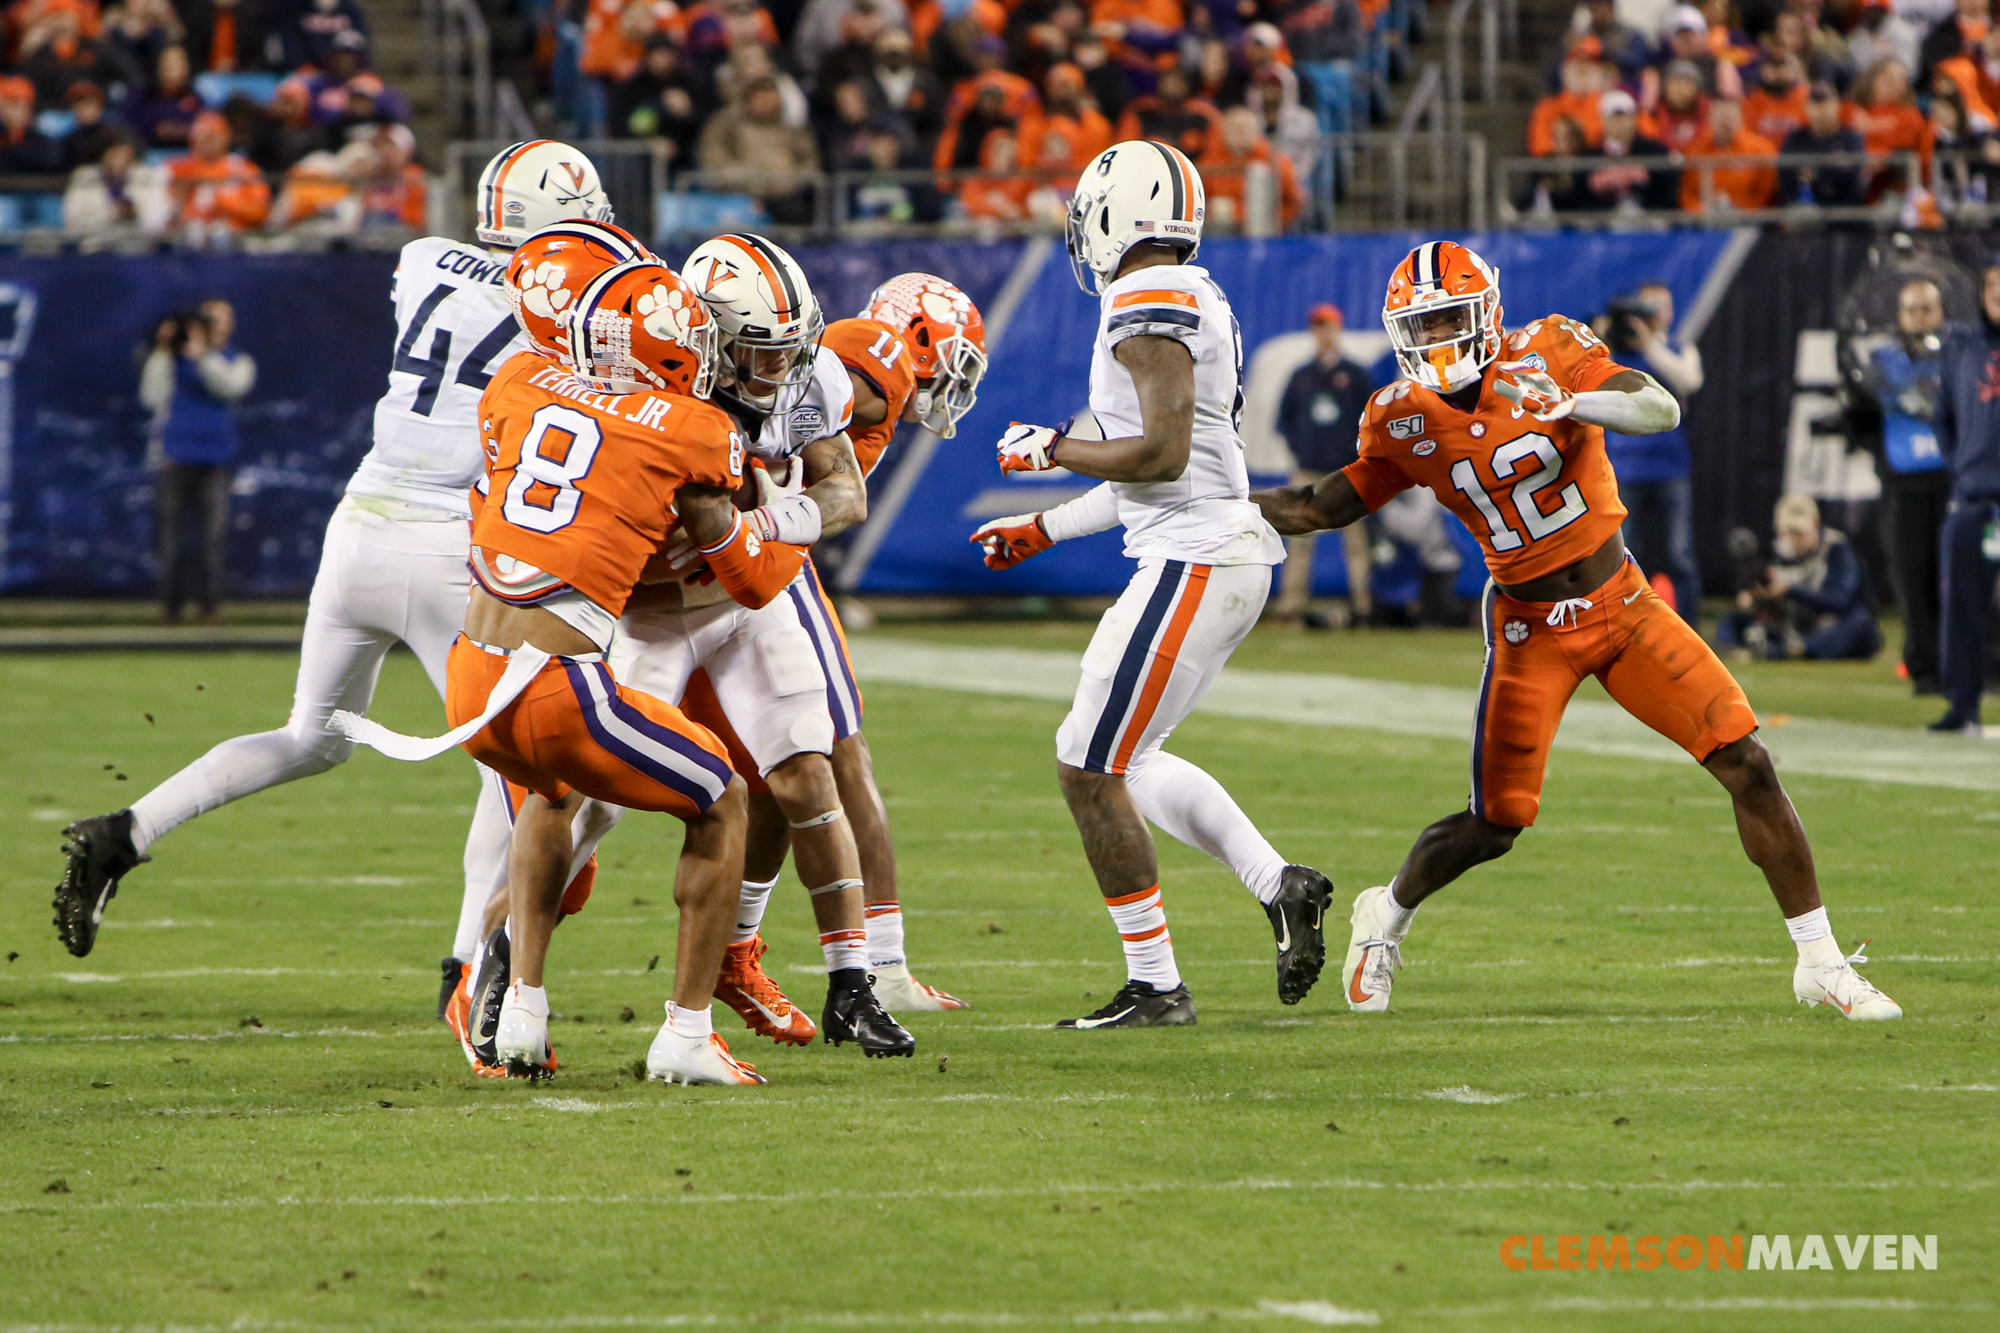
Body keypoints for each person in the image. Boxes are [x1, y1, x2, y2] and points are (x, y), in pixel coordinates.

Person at [52, 144, 618, 1059]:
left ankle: (126, 829)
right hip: (449, 543)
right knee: (515, 772)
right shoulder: (562, 309)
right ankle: (471, 975)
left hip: (360, 522)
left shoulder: (427, 258)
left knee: (310, 735)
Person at [1250, 239, 1902, 1023]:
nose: (1436, 344)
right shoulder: (1402, 416)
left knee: (1745, 757)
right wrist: (1224, 508)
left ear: (1487, 311)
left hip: (1622, 604)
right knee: (1495, 824)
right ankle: (1385, 912)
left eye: (1450, 321)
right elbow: (1325, 505)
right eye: (1419, 329)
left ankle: (1819, 961)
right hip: (1529, 628)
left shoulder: (1551, 349)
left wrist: (1573, 402)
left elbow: (1658, 407)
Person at [340, 256, 806, 1087]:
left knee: (550, 798)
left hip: (473, 677)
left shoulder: (519, 380)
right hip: (559, 685)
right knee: (724, 796)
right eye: (686, 339)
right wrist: (792, 514)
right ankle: (687, 1034)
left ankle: (521, 1008)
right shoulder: (688, 428)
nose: (698, 351)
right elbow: (754, 578)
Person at [969, 140, 1337, 1028]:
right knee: (1120, 760)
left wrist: (1050, 449)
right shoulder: (1188, 289)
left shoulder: (1146, 294)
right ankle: (1279, 885)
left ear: (1109, 215)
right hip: (1211, 549)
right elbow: (1156, 475)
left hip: (1198, 558)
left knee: (1088, 768)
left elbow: (1161, 455)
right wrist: (1044, 526)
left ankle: (1157, 984)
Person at [601, 234, 918, 1058]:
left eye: (788, 347)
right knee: (584, 798)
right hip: (654, 609)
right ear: (706, 334)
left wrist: (761, 525)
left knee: (807, 769)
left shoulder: (806, 373)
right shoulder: (656, 372)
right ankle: (503, 973)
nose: (778, 367)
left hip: (751, 590)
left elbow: (844, 492)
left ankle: (852, 982)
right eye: (757, 349)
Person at [139, 297, 254, 625]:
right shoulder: (172, 362)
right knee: (172, 541)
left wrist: (203, 356)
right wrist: (164, 349)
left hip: (216, 461)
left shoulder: (236, 359)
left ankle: (208, 608)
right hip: (176, 459)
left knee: (211, 541)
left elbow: (231, 387)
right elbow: (152, 396)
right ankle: (171, 609)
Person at [1603, 281, 1704, 623]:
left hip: (1669, 468)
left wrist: (1648, 345)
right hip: (1625, 468)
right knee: (1623, 553)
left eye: (1661, 306)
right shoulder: (1614, 352)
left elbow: (1688, 381)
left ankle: (1690, 626)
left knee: (1679, 554)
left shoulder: (1678, 349)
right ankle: (1623, 624)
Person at [1928, 257, 2000, 733]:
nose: (1997, 292)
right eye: (1992, 284)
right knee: (1962, 608)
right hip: (1975, 497)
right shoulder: (1962, 346)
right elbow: (1943, 417)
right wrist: (1964, 469)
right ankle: (1962, 704)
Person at [1868, 277, 1950, 692]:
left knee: (1959, 578)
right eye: (1912, 309)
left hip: (1953, 483)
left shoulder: (1956, 355)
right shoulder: (1883, 360)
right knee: (1913, 579)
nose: (1920, 318)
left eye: (1927, 308)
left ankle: (1971, 663)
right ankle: (1924, 668)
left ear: (1941, 311)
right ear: (1900, 316)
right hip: (1904, 486)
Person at [1272, 302, 1373, 625]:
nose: (1323, 332)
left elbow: (1372, 419)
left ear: (1337, 328)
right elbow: (1284, 420)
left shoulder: (1355, 375)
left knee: (1356, 544)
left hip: (1347, 471)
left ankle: (1364, 607)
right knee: (1300, 542)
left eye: (1327, 325)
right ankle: (1290, 606)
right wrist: (1303, 451)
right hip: (1310, 470)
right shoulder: (1302, 376)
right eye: (1318, 326)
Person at [1717, 494, 1882, 660]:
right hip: (1790, 624)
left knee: (1860, 621)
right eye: (1788, 532)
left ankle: (1792, 650)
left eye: (1800, 533)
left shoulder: (1836, 549)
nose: (1794, 540)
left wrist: (1788, 591)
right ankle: (1729, 650)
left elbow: (1840, 601)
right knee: (1732, 619)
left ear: (1816, 527)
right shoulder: (1774, 552)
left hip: (1826, 625)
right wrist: (1757, 598)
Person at [1778, 79, 1866, 205]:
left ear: (1837, 104)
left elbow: (1853, 175)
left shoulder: (1850, 137)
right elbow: (1787, 177)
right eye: (1815, 104)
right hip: (1807, 203)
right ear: (1807, 107)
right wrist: (1831, 168)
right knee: (1802, 214)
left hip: (1845, 204)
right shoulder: (1796, 138)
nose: (1821, 110)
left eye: (1825, 103)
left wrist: (1815, 172)